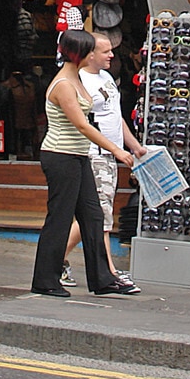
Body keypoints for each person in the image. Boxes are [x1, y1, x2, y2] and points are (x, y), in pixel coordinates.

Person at [32, 29, 139, 297]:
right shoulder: (64, 85)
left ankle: (102, 278)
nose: (94, 54)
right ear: (79, 53)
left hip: (79, 156)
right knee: (60, 217)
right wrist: (116, 149)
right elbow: (81, 124)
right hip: (61, 155)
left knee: (93, 216)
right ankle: (46, 280)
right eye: (90, 50)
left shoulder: (78, 78)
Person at [64, 33, 148, 287]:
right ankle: (105, 268)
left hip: (110, 154)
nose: (111, 55)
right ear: (90, 54)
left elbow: (115, 116)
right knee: (98, 214)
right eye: (105, 51)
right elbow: (82, 123)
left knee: (98, 213)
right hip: (94, 153)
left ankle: (59, 259)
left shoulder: (107, 78)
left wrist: (134, 147)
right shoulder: (79, 82)